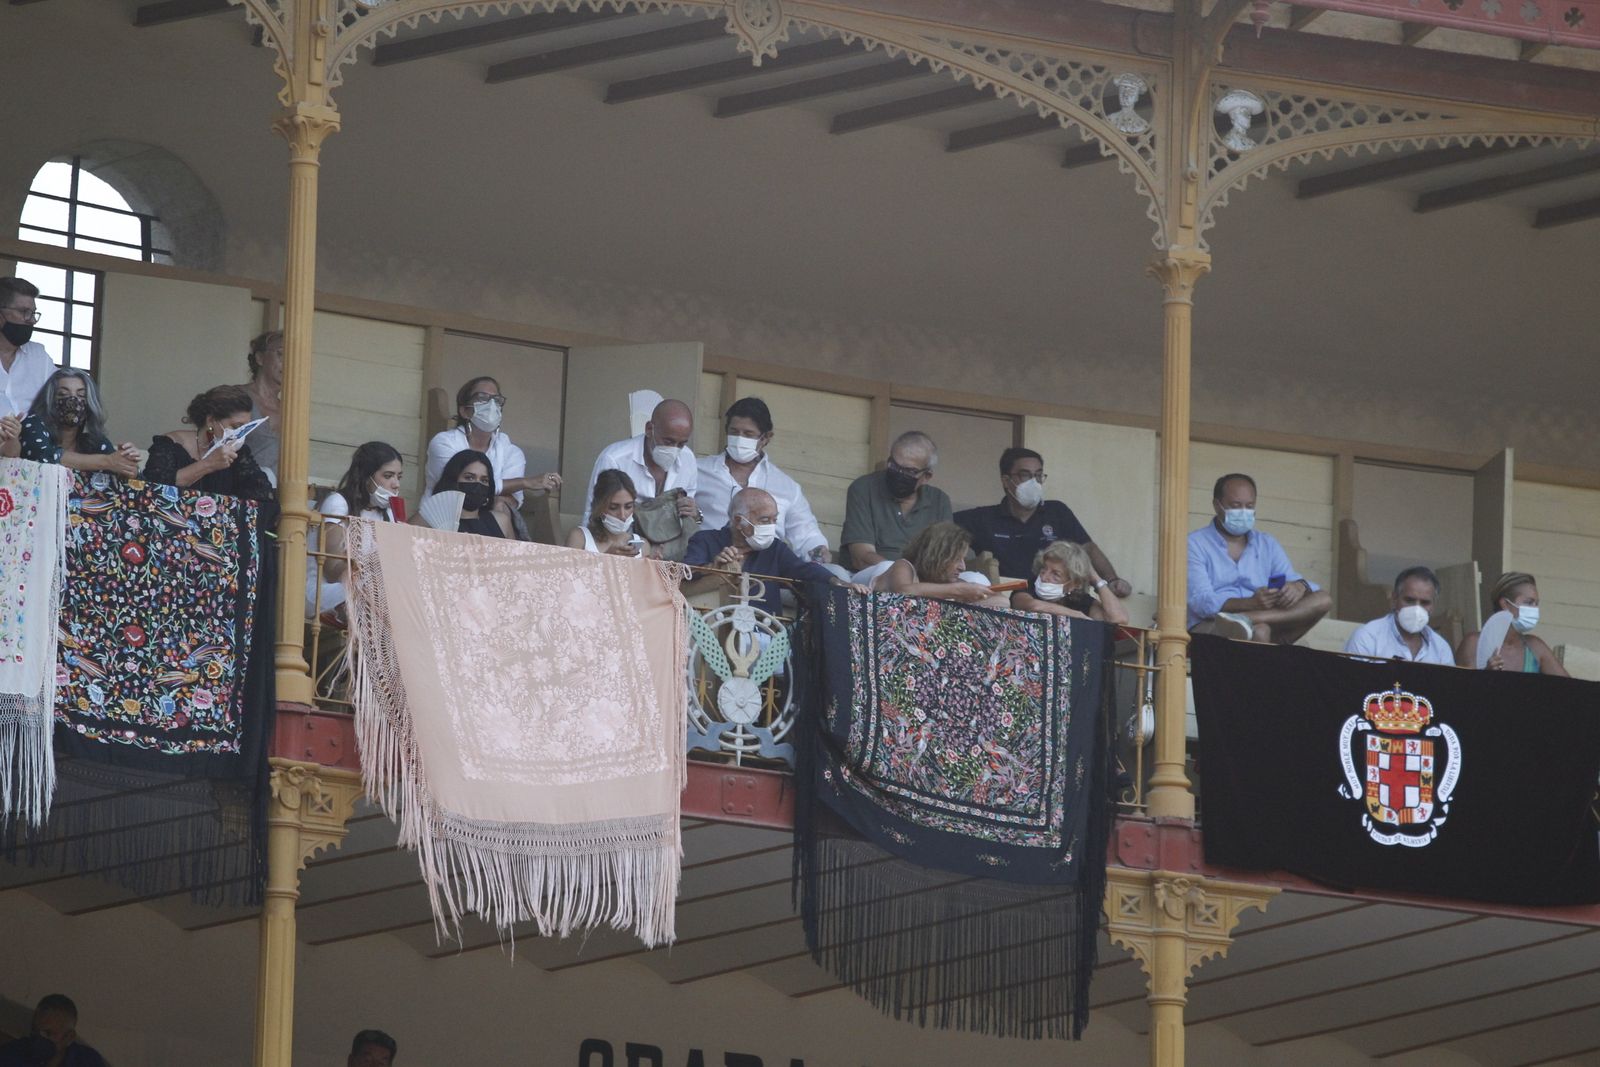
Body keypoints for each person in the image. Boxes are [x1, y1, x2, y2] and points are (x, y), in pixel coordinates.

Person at [955, 447, 1133, 595]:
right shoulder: (983, 518)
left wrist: (1112, 580)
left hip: (1052, 600)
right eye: (1025, 475)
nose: (1034, 482)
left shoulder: (1057, 512)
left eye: (1038, 475)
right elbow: (942, 535)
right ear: (1006, 480)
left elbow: (1088, 549)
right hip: (1003, 600)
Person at [1187, 472, 1331, 644]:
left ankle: (1248, 618)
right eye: (1235, 505)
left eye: (1249, 506)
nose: (1244, 511)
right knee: (1260, 630)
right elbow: (1201, 603)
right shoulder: (1194, 543)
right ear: (1217, 505)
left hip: (1269, 624)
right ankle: (1251, 621)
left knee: (1323, 599)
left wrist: (1298, 586)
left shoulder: (1267, 543)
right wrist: (1249, 603)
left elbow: (1291, 579)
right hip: (1211, 626)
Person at [683, 487, 865, 615]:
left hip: (765, 629)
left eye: (774, 520)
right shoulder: (705, 539)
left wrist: (839, 583)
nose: (771, 526)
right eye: (764, 520)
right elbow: (685, 574)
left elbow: (806, 571)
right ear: (739, 522)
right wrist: (714, 567)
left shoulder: (775, 548)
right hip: (712, 624)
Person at [694, 396, 831, 562]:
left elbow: (807, 536)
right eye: (734, 432)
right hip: (708, 561)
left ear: (766, 438)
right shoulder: (698, 470)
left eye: (748, 434)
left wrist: (819, 553)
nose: (739, 439)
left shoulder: (787, 486)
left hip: (766, 568)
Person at [424, 376, 559, 507]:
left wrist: (500, 496)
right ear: (464, 411)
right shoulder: (443, 442)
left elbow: (513, 501)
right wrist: (525, 482)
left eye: (497, 400)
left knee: (500, 505)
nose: (491, 405)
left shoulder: (511, 452)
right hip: (441, 517)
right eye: (482, 398)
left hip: (488, 524)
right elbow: (455, 486)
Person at [840, 430, 953, 585]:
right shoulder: (863, 488)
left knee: (977, 579)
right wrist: (901, 573)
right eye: (894, 465)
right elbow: (861, 556)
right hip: (870, 575)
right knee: (887, 568)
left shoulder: (940, 501)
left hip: (922, 580)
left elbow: (943, 559)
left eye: (910, 471)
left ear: (926, 477)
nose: (899, 474)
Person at [310, 441, 405, 617]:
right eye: (388, 476)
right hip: (329, 589)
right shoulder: (338, 503)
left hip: (367, 591)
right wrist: (370, 581)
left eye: (399, 477)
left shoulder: (388, 514)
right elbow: (332, 569)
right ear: (366, 477)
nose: (395, 484)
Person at [142, 384, 274, 502]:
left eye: (246, 427)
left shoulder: (238, 453)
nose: (240, 433)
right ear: (211, 420)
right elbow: (154, 488)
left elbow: (261, 492)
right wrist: (209, 464)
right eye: (236, 426)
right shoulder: (172, 444)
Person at [3, 368, 140, 478]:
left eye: (81, 396)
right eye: (63, 395)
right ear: (50, 401)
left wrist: (127, 467)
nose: (72, 401)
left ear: (89, 406)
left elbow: (130, 478)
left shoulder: (94, 442)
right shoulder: (33, 424)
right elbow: (44, 456)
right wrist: (108, 461)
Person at [587, 397, 699, 518]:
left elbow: (688, 514)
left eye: (681, 444)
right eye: (668, 441)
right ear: (649, 429)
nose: (675, 449)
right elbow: (593, 515)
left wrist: (695, 514)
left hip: (672, 536)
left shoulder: (688, 458)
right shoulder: (614, 459)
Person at [1456, 571, 1569, 676]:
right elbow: (1461, 691)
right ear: (1505, 604)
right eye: (1529, 602)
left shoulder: (1535, 647)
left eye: (1536, 603)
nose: (1535, 609)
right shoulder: (1474, 643)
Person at [1344, 566, 1454, 665]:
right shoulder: (1368, 638)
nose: (1417, 609)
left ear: (1433, 606)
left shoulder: (1441, 648)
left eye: (1425, 603)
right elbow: (1351, 683)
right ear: (1394, 599)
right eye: (1409, 600)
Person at [1011, 539, 1130, 624]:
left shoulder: (1080, 600)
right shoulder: (1027, 586)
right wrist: (1077, 615)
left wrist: (1095, 578)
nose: (1044, 577)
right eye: (1044, 569)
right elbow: (1033, 606)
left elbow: (1118, 618)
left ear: (1074, 584)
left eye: (1055, 574)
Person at [875, 521, 993, 603]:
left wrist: (972, 599)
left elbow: (1002, 602)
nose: (963, 567)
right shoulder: (904, 566)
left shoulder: (949, 581)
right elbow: (903, 591)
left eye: (964, 559)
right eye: (957, 559)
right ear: (936, 555)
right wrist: (958, 591)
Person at [0, 278, 55, 441]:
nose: (31, 320)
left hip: (33, 447)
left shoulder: (39, 356)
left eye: (33, 313)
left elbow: (61, 391)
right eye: (24, 312)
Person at [420, 449, 515, 539]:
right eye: (469, 478)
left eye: (484, 480)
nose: (477, 484)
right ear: (453, 480)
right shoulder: (428, 519)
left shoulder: (501, 522)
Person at [0, 994, 108, 1067]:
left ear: (69, 1037)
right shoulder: (13, 1055)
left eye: (48, 1033)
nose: (40, 1037)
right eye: (35, 1031)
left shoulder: (87, 1061)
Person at [567, 467, 653, 556]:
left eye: (628, 507)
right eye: (613, 507)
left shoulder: (643, 546)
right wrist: (607, 558)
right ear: (599, 507)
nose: (622, 515)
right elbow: (566, 569)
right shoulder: (580, 538)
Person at [240, 330, 283, 483]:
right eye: (282, 354)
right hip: (237, 493)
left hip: (277, 499)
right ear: (260, 358)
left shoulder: (293, 411)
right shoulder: (236, 396)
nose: (290, 363)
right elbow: (211, 437)